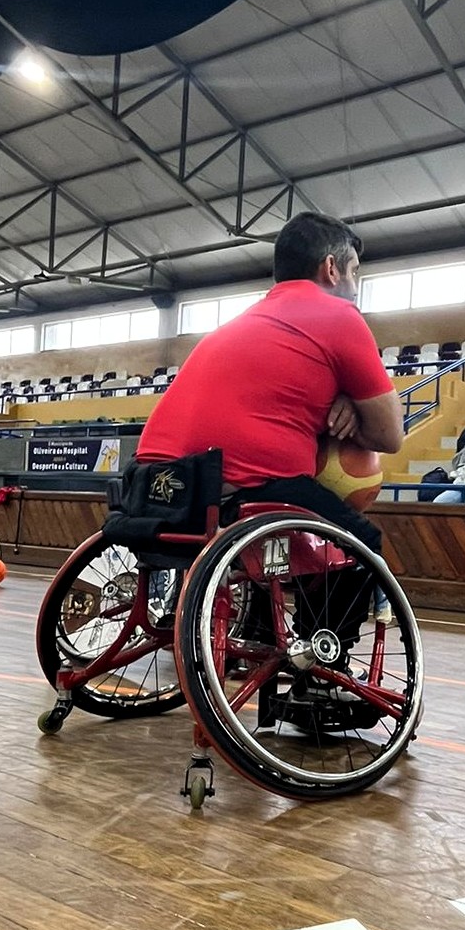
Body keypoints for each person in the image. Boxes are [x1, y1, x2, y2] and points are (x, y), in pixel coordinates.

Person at [135, 211, 401, 674]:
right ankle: (325, 664)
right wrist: (353, 412)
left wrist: (337, 399)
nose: (356, 287)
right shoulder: (338, 315)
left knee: (272, 525)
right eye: (355, 272)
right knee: (359, 543)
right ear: (331, 268)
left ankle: (257, 632)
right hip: (237, 486)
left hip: (153, 483)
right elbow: (390, 435)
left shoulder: (244, 319)